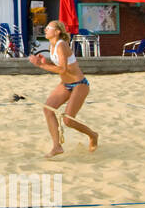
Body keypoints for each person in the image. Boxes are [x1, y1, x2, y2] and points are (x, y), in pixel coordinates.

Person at [28, 19, 98, 157]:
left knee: (68, 120)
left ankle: (93, 135)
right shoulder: (52, 45)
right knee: (48, 109)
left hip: (80, 84)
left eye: (49, 27)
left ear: (57, 31)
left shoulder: (61, 45)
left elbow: (62, 69)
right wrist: (45, 61)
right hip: (66, 85)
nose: (46, 29)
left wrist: (40, 65)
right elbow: (58, 64)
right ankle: (56, 146)